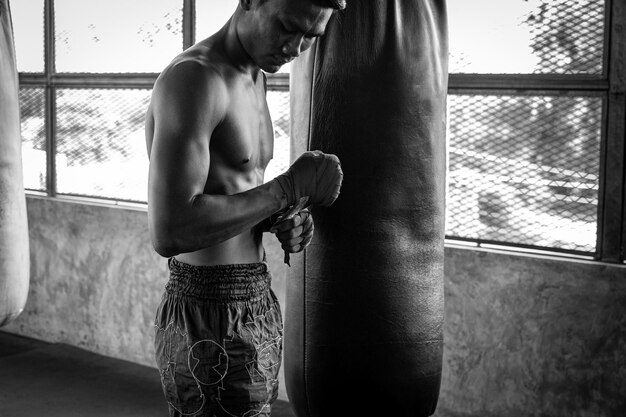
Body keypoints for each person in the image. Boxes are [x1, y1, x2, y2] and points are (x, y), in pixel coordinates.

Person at [145, 0, 345, 415]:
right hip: (205, 307)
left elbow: (236, 188)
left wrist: (281, 219)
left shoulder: (256, 76)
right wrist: (286, 187)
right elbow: (170, 229)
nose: (296, 47)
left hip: (256, 299)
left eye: (311, 36)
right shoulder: (196, 78)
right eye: (288, 26)